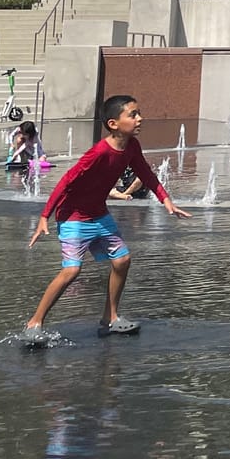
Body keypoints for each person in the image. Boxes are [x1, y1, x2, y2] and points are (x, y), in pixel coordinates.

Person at [21, 94, 191, 346]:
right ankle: (34, 323)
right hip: (74, 217)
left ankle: (109, 318)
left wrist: (166, 200)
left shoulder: (132, 146)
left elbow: (145, 172)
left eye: (138, 113)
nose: (139, 118)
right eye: (132, 114)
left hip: (99, 214)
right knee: (72, 270)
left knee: (122, 260)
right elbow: (66, 181)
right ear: (113, 123)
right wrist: (45, 216)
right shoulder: (99, 152)